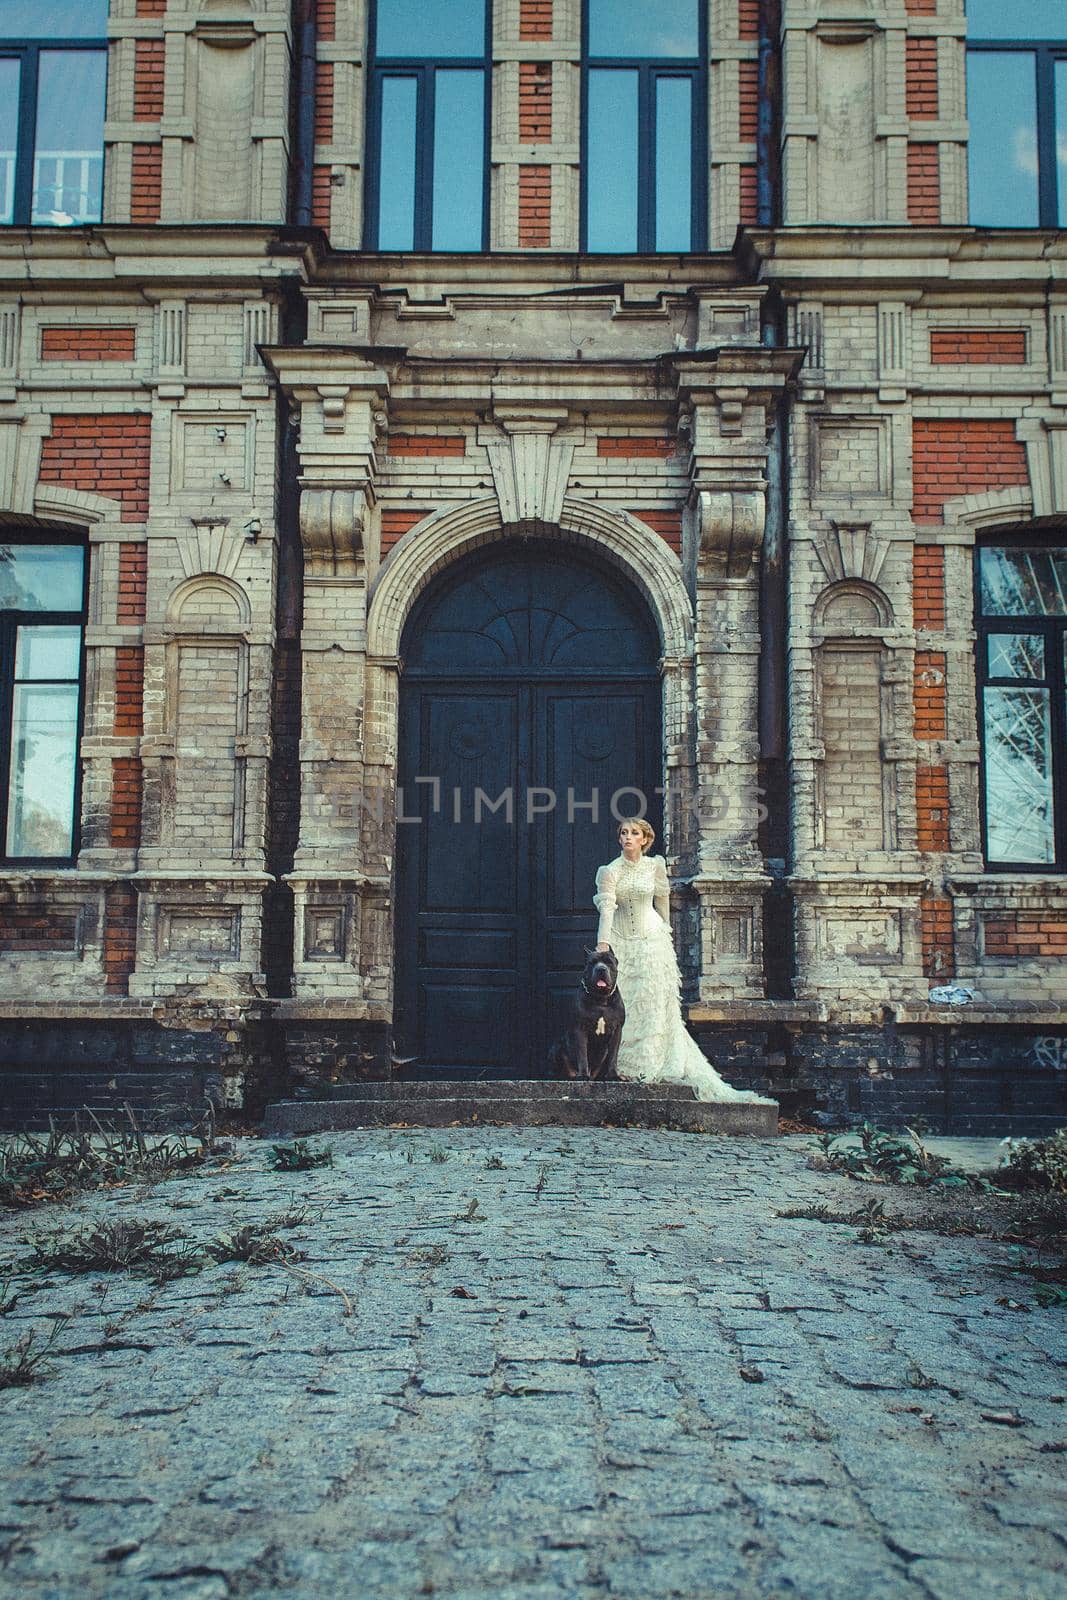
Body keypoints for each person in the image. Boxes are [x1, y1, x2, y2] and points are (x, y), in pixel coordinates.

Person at [594, 818, 774, 1105]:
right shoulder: (609, 871)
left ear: (645, 839)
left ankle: (651, 1061)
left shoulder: (655, 866)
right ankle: (620, 1064)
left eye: (634, 833)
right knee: (626, 1001)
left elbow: (662, 902)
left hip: (653, 941)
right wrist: (603, 946)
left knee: (653, 1001)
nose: (628, 837)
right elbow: (607, 909)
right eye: (624, 833)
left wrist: (667, 934)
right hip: (621, 943)